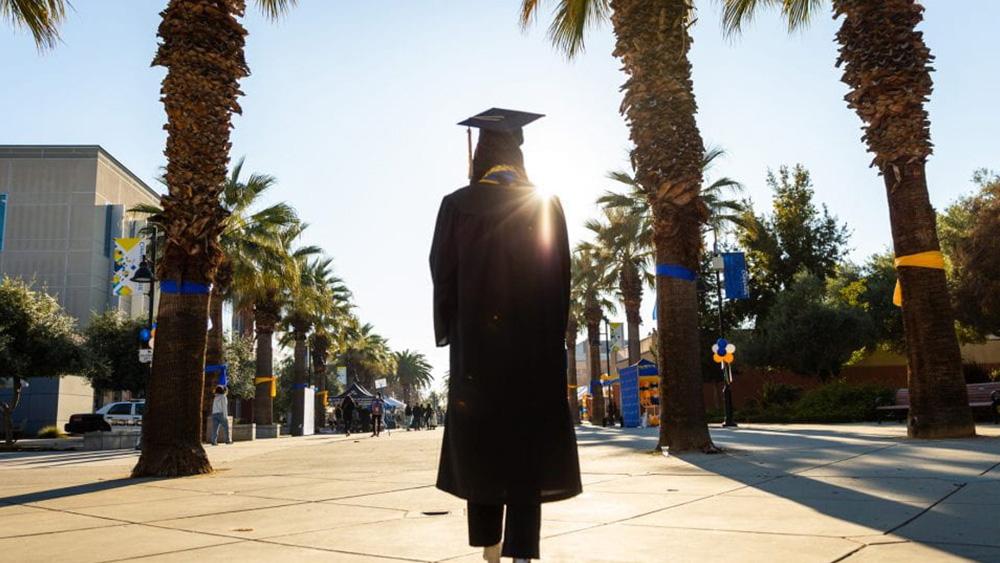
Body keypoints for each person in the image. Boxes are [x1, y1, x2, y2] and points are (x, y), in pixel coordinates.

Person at [430, 108, 581, 563]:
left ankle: (490, 550)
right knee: (527, 447)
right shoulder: (545, 203)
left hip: (479, 353)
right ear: (517, 152)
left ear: (480, 155)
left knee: (484, 444)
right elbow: (561, 277)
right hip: (534, 352)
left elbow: (443, 275)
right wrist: (552, 334)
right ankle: (522, 553)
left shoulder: (457, 205)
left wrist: (454, 328)